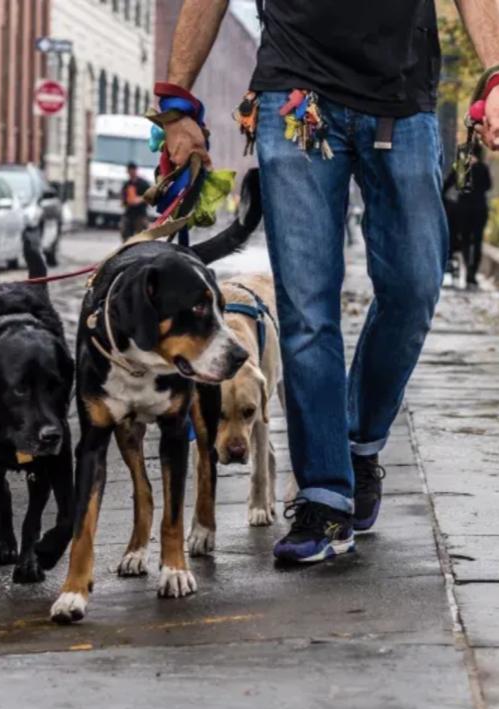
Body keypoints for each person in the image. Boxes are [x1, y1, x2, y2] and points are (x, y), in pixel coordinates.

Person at [161, 0, 499, 563]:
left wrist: (495, 74)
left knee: (414, 287)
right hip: (296, 94)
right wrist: (177, 104)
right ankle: (323, 497)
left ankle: (359, 441)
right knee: (306, 309)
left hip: (400, 96)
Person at [445, 145, 492, 288]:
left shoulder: (461, 166)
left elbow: (449, 184)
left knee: (465, 240)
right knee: (477, 240)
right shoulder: (483, 167)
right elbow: (488, 186)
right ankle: (472, 273)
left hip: (463, 209)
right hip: (479, 208)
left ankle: (469, 269)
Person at [120, 162, 151, 241]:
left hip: (140, 213)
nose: (131, 173)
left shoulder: (143, 184)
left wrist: (140, 199)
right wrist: (125, 201)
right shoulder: (127, 184)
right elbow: (123, 198)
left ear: (135, 170)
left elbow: (150, 195)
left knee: (142, 236)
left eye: (132, 170)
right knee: (125, 233)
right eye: (129, 171)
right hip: (129, 213)